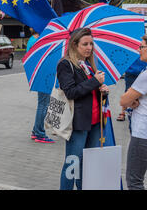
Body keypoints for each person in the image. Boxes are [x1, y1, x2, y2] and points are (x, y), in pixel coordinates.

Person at [57, 28, 109, 190]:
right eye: (85, 44)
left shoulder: (88, 64)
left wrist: (103, 91)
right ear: (74, 45)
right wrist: (94, 81)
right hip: (78, 123)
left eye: (91, 44)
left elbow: (91, 93)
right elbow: (71, 92)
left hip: (94, 122)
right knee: (73, 164)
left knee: (87, 165)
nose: (89, 47)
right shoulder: (65, 64)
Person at [120, 34, 147, 190]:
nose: (139, 50)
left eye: (142, 47)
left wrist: (132, 100)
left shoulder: (146, 74)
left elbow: (123, 101)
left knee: (134, 181)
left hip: (142, 132)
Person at [27, 28, 54, 143]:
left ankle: (36, 131)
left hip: (40, 74)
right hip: (43, 75)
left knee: (42, 104)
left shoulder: (33, 40)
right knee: (43, 105)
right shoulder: (38, 41)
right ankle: (39, 133)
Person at [117, 58, 147, 123]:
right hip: (131, 71)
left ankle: (137, 111)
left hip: (143, 70)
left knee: (141, 93)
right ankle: (123, 112)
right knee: (128, 91)